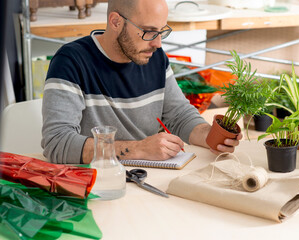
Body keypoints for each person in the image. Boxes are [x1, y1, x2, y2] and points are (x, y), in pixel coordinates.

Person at [41, 0, 242, 165]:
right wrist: (139, 149)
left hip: (150, 174)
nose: (157, 43)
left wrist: (209, 136)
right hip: (98, 180)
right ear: (115, 22)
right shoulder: (71, 61)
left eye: (161, 32)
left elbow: (179, 115)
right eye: (148, 32)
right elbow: (57, 144)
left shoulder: (154, 57)